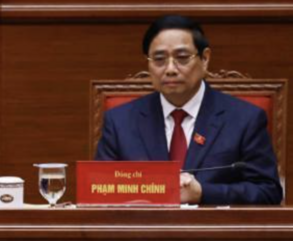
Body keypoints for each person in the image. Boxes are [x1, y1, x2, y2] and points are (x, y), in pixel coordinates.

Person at [95, 15, 282, 205]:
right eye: (159, 59)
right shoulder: (120, 122)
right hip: (143, 224)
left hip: (213, 224)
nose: (170, 69)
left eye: (182, 58)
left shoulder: (245, 119)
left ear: (205, 58)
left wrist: (203, 193)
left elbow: (268, 192)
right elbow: (99, 191)